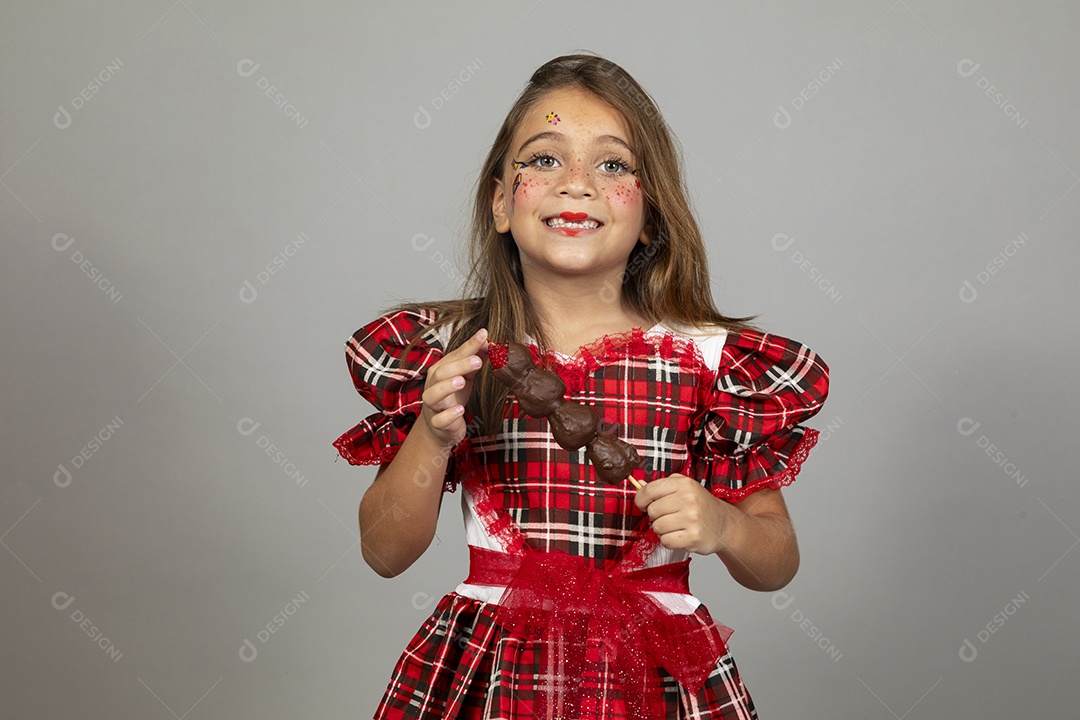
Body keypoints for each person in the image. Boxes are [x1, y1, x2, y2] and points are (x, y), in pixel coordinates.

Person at [334, 53, 830, 720]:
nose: (576, 184)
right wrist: (430, 433)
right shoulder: (458, 353)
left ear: (651, 215)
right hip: (493, 665)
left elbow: (776, 564)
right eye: (542, 160)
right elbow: (383, 552)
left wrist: (724, 525)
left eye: (613, 165)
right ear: (501, 201)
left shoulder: (712, 363)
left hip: (652, 672)